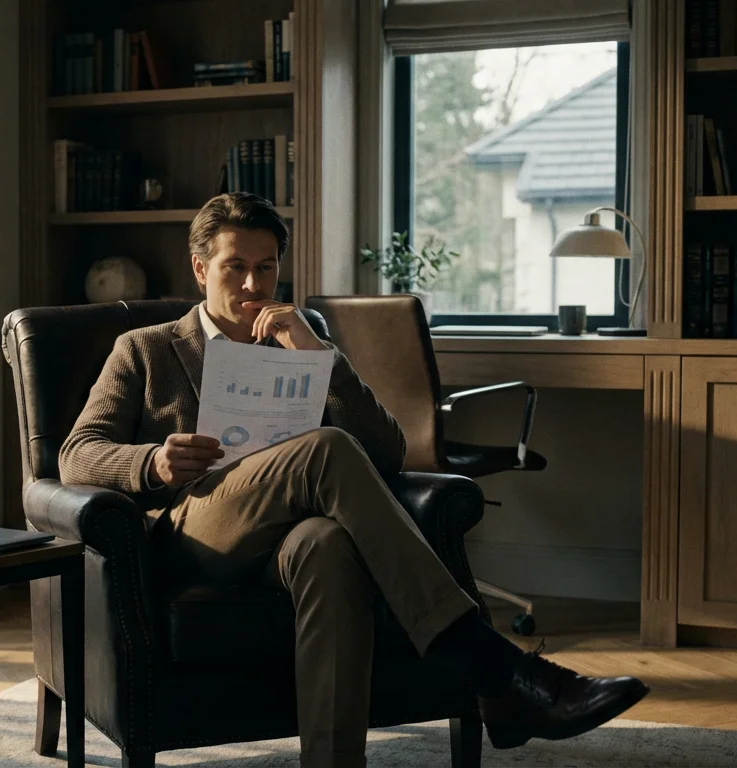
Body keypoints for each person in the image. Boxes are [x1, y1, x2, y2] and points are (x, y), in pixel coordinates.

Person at [59, 192, 648, 768]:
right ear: (200, 269)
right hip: (198, 533)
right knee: (326, 448)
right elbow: (75, 455)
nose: (251, 286)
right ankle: (494, 667)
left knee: (329, 546)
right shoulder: (144, 349)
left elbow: (389, 453)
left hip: (287, 540)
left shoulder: (302, 340)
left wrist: (323, 358)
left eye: (266, 269)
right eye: (234, 268)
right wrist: (152, 461)